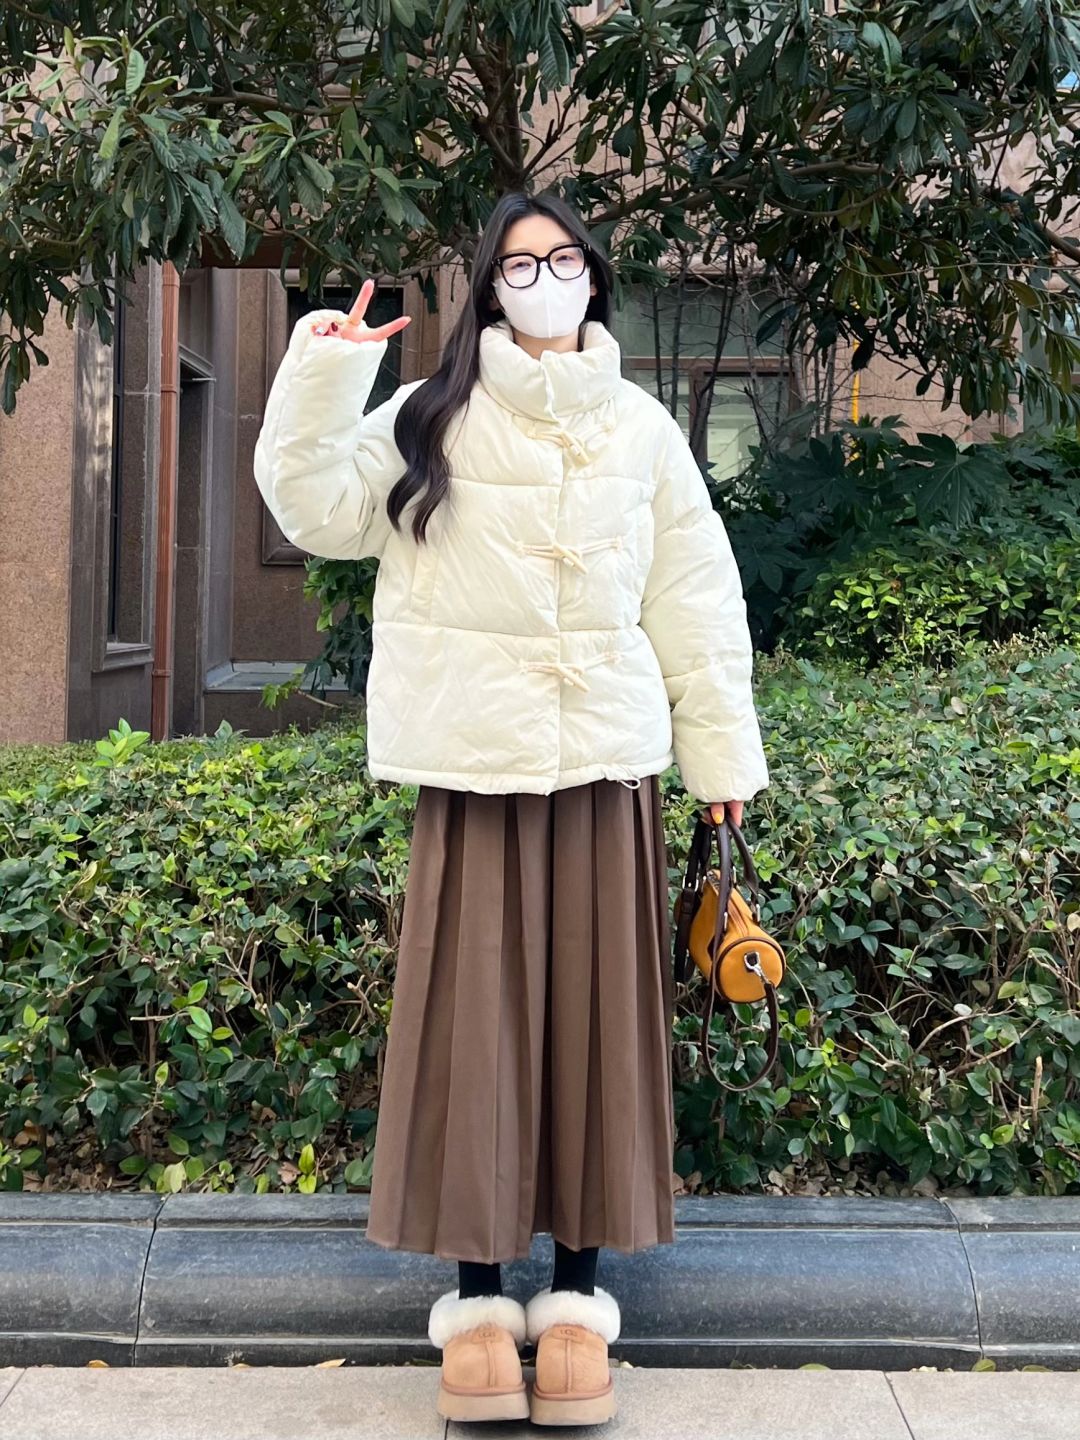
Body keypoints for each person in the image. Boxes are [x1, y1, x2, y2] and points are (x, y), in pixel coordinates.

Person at [253, 189, 769, 1426]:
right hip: (472, 765)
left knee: (599, 1032)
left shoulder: (642, 427)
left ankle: (579, 1303)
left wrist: (722, 763)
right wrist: (324, 370)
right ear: (490, 287)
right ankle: (479, 1308)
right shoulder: (432, 414)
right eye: (520, 264)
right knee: (471, 1033)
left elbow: (696, 597)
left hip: (605, 767)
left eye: (563, 258)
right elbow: (314, 510)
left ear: (595, 275)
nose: (545, 278)